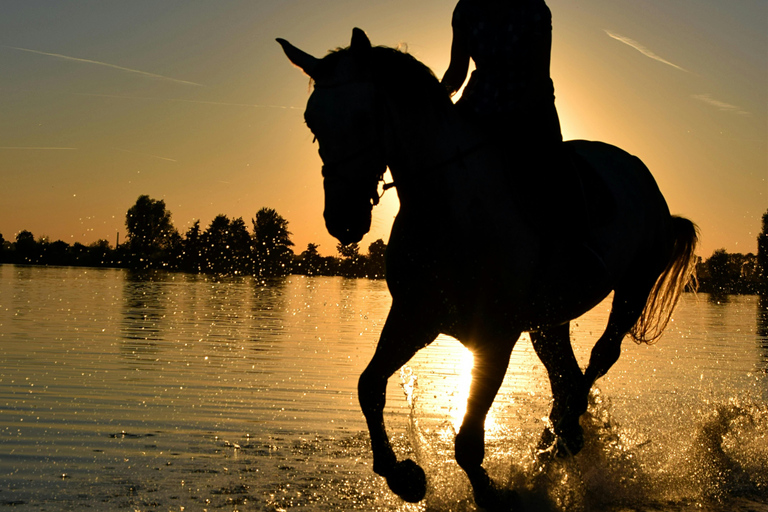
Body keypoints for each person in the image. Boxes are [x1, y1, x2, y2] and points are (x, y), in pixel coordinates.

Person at [441, 0, 562, 147]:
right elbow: (457, 71)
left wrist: (514, 118)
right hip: (477, 103)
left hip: (528, 109)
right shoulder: (466, 9)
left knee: (552, 161)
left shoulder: (534, 9)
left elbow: (539, 78)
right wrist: (435, 100)